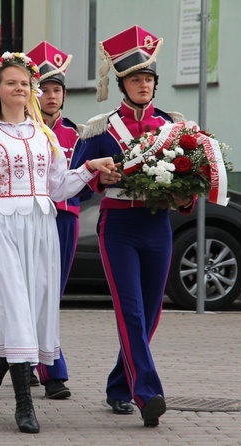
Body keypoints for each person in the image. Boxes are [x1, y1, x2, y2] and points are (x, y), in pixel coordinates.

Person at [0, 52, 118, 434]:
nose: (20, 88)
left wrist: (88, 169)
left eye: (25, 83)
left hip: (40, 227)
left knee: (31, 312)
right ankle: (24, 405)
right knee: (14, 309)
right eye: (11, 82)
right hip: (1, 227)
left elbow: (57, 187)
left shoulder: (43, 134)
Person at [71, 25, 195, 428]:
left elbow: (190, 184)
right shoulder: (100, 127)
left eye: (148, 79)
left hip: (157, 225)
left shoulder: (173, 127)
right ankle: (148, 393)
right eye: (135, 78)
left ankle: (118, 387)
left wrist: (184, 197)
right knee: (131, 313)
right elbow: (75, 179)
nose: (143, 85)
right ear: (121, 83)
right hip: (118, 226)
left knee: (153, 313)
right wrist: (98, 178)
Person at [26, 40, 81, 400]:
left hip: (65, 219)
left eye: (56, 89)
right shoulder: (23, 130)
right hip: (30, 219)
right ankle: (45, 368)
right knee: (30, 292)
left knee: (53, 295)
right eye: (43, 89)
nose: (50, 96)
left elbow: (84, 181)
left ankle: (36, 361)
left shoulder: (77, 133)